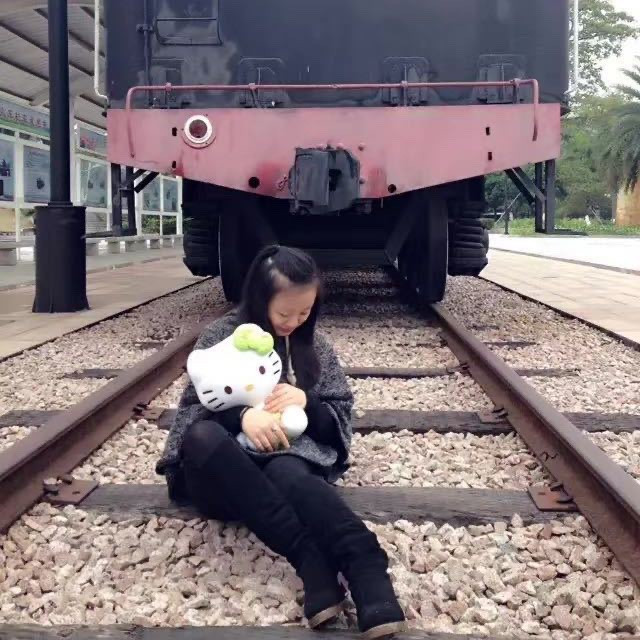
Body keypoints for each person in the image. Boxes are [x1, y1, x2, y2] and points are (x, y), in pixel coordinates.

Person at [156, 245, 406, 639]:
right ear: (260, 300)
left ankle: (364, 563)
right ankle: (310, 558)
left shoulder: (316, 347)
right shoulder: (220, 337)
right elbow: (190, 418)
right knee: (203, 436)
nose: (293, 322)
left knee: (287, 469)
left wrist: (308, 402)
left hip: (285, 471)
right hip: (223, 479)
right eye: (284, 313)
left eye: (304, 313)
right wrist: (241, 416)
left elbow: (339, 424)